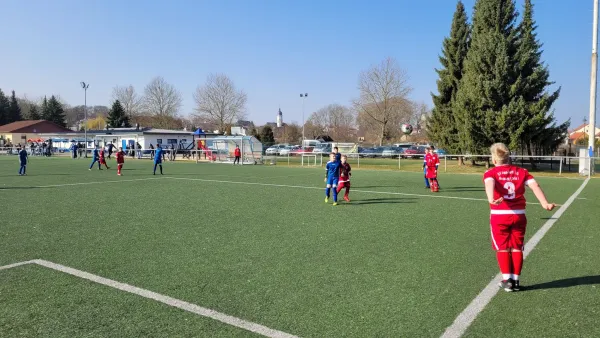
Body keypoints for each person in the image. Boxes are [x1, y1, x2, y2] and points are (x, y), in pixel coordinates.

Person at [484, 143, 555, 292]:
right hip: (519, 216)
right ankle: (515, 281)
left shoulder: (491, 173)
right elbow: (535, 185)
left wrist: (491, 199)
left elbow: (489, 184)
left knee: (503, 248)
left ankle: (506, 280)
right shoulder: (522, 171)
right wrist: (544, 203)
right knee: (517, 247)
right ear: (508, 157)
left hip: (499, 216)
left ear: (494, 159)